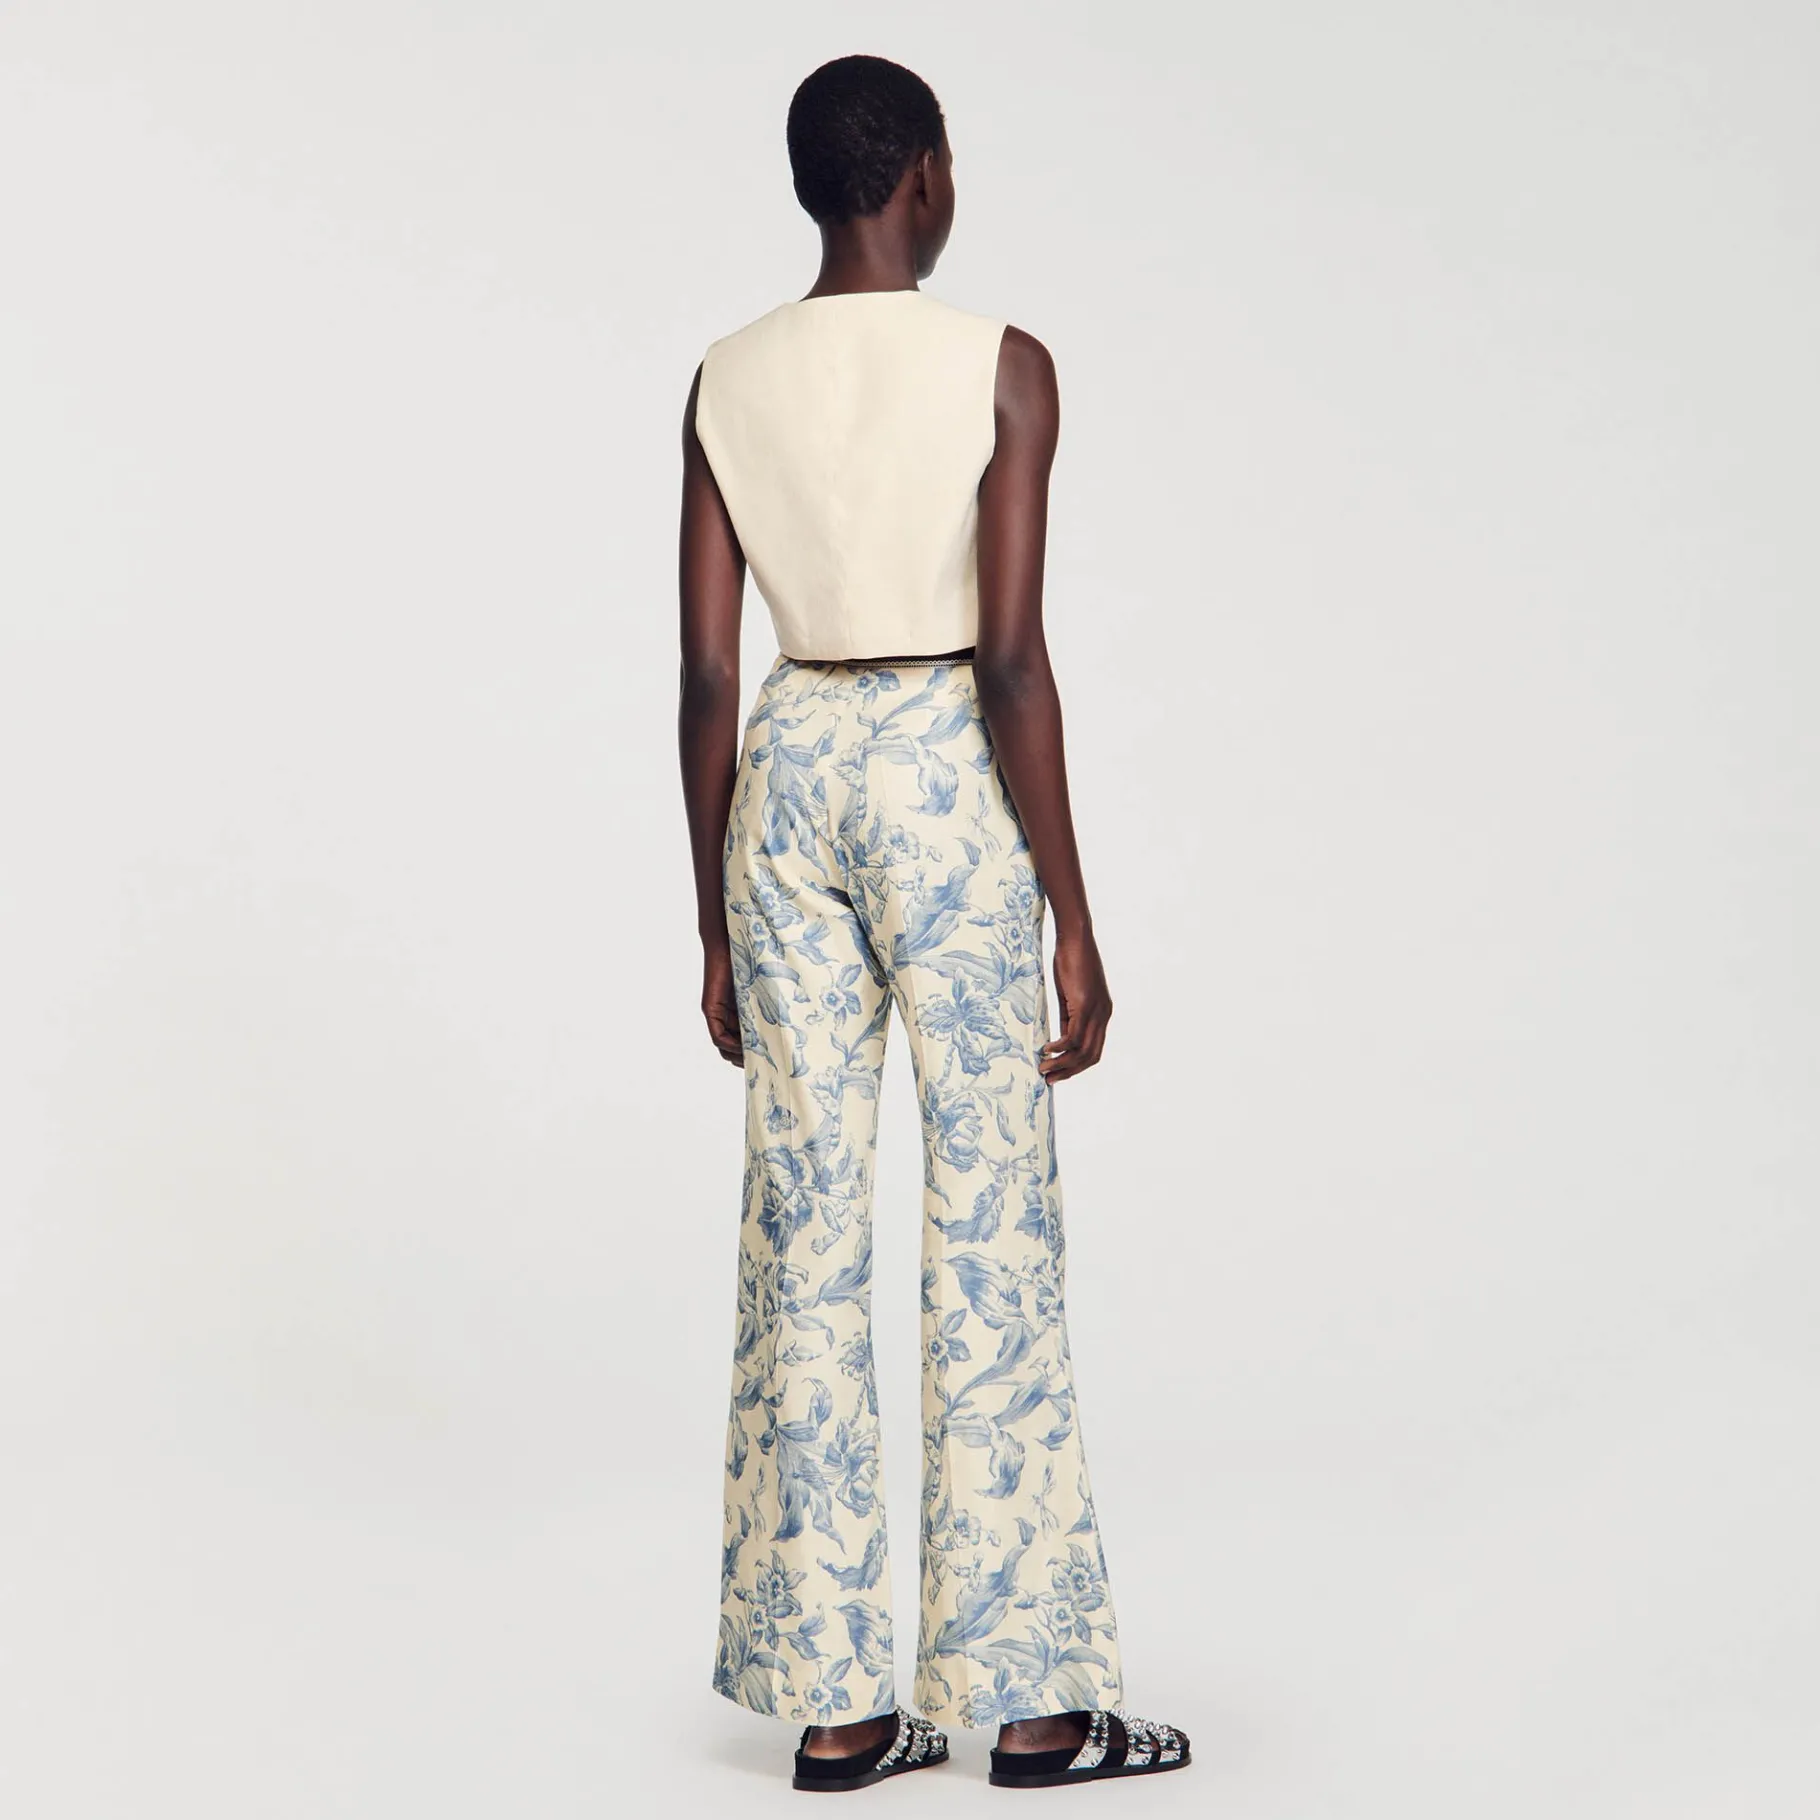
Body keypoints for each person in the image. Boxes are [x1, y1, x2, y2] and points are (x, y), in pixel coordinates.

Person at [677, 53, 1190, 1794]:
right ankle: (1036, 1707)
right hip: (942, 774)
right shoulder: (1001, 363)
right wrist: (1074, 913)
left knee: (802, 1228)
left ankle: (838, 1709)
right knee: (989, 1227)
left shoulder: (724, 379)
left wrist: (713, 921)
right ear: (924, 176)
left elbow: (704, 672)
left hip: (786, 774)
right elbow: (1014, 657)